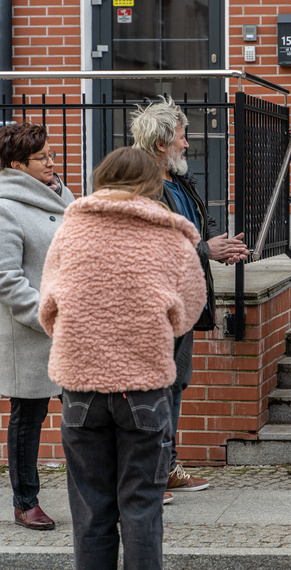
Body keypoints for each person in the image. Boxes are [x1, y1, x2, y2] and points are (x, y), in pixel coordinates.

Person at [39, 147, 206, 570]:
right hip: (145, 387)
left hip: (80, 387)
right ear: (151, 185)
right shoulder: (171, 235)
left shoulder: (71, 229)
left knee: (91, 514)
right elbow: (188, 312)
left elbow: (48, 310)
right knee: (142, 510)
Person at [130, 96, 249, 496]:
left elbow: (199, 224)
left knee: (177, 384)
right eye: (182, 136)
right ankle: (149, 474)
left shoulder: (179, 180)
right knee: (155, 389)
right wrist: (206, 251)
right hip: (156, 307)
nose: (186, 143)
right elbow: (152, 245)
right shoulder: (142, 186)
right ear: (161, 143)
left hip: (185, 302)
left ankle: (167, 467)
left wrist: (223, 245)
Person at [0, 123, 74, 531]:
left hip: (73, 332)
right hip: (32, 334)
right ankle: (25, 501)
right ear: (16, 165)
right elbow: (7, 279)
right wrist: (50, 318)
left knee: (88, 415)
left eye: (51, 154)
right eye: (42, 157)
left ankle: (102, 490)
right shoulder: (5, 207)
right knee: (28, 419)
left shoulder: (64, 196)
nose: (52, 162)